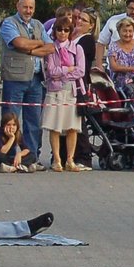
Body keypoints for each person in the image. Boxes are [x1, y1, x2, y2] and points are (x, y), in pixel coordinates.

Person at [0, 0, 52, 171]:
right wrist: (38, 43)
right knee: (10, 121)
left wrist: (31, 50)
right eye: (25, 7)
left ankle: (31, 158)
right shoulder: (8, 23)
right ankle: (8, 158)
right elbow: (18, 42)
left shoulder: (38, 24)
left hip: (36, 80)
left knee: (33, 122)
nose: (28, 11)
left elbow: (51, 47)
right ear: (18, 6)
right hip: (14, 79)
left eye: (31, 7)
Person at [43, 15, 87, 171]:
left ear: (70, 31)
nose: (62, 33)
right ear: (54, 31)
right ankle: (57, 159)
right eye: (59, 30)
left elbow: (80, 71)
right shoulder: (50, 48)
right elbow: (51, 71)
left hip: (71, 90)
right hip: (54, 90)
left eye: (66, 30)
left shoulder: (77, 48)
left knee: (72, 127)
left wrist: (63, 74)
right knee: (54, 126)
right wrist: (68, 69)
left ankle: (70, 159)